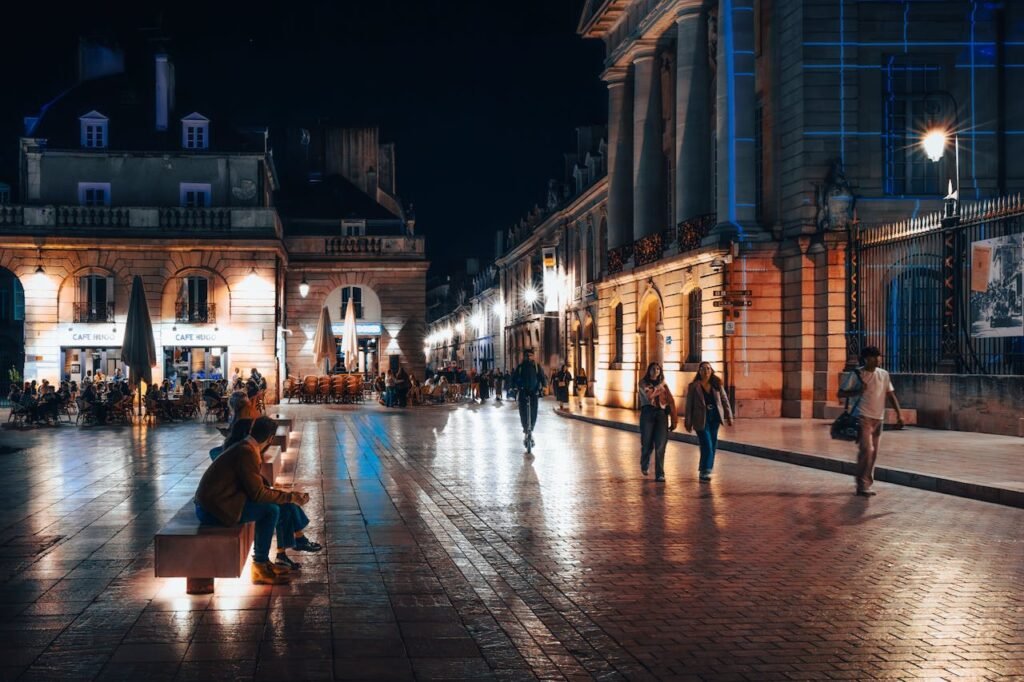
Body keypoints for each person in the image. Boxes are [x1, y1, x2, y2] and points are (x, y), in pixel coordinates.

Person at [194, 417, 316, 584]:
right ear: (270, 439)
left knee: (283, 504)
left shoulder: (247, 447)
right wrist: (290, 496)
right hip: (215, 508)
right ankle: (259, 565)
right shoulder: (247, 452)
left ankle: (280, 553)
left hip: (226, 500)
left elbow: (257, 487)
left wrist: (288, 497)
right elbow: (258, 494)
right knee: (271, 510)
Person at [838, 346, 904, 497]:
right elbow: (840, 392)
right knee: (867, 450)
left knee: (873, 454)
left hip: (878, 418)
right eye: (874, 357)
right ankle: (862, 484)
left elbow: (890, 395)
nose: (878, 359)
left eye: (879, 356)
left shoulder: (884, 374)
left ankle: (866, 483)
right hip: (862, 416)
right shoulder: (857, 374)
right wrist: (857, 391)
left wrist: (899, 414)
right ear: (866, 358)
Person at [684, 362, 734, 482]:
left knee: (712, 443)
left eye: (708, 368)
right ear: (699, 371)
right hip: (700, 418)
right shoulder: (693, 386)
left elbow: (725, 400)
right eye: (703, 369)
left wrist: (729, 416)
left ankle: (704, 469)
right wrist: (688, 421)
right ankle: (706, 470)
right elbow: (689, 405)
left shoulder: (717, 384)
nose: (706, 371)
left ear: (711, 371)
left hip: (714, 417)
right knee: (707, 443)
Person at [638, 363, 678, 482]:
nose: (656, 371)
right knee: (647, 443)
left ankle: (660, 473)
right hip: (648, 414)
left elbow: (670, 401)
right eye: (653, 369)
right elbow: (650, 395)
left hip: (661, 414)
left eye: (658, 369)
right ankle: (644, 463)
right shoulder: (643, 383)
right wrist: (661, 387)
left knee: (661, 444)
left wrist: (674, 419)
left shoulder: (664, 384)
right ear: (649, 370)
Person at [511, 349, 547, 450]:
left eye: (531, 355)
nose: (530, 357)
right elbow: (514, 377)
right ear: (525, 356)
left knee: (534, 411)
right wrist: (514, 386)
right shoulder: (521, 367)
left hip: (534, 392)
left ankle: (531, 429)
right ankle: (526, 429)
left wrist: (543, 385)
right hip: (523, 392)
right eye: (528, 355)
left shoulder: (536, 366)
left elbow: (541, 376)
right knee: (523, 412)